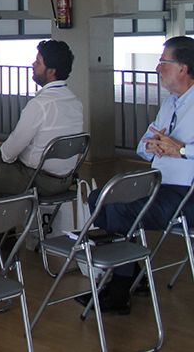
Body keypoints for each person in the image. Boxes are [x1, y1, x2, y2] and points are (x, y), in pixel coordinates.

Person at [83, 35, 194, 314]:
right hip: (158, 185)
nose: (158, 68)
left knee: (121, 209)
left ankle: (120, 288)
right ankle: (130, 274)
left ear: (183, 68)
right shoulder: (171, 103)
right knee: (100, 197)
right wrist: (154, 146)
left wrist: (181, 151)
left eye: (163, 62)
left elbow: (175, 148)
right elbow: (143, 144)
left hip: (186, 195)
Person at [0, 40, 83, 196]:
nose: (33, 64)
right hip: (65, 180)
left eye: (38, 62)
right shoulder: (75, 102)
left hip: (37, 179)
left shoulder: (39, 105)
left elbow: (9, 153)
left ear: (51, 71)